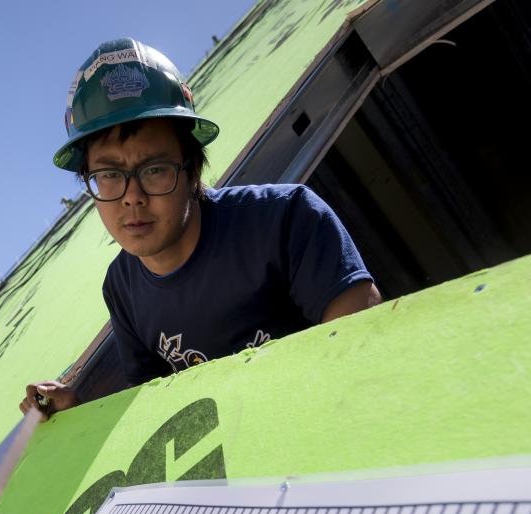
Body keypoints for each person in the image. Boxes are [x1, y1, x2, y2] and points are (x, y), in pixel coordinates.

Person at [21, 38, 380, 418]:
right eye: (109, 175)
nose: (132, 197)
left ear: (192, 169)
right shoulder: (121, 288)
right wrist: (77, 413)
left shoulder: (285, 219)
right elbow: (152, 409)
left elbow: (364, 350)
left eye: (154, 169)